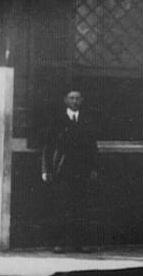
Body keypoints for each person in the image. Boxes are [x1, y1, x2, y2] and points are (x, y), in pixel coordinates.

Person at [41, 90, 99, 253]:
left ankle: (79, 243)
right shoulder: (57, 121)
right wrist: (46, 169)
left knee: (80, 208)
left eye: (77, 98)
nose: (74, 101)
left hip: (82, 170)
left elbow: (92, 147)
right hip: (62, 170)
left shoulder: (87, 120)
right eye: (71, 98)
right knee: (62, 207)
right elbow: (48, 147)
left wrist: (94, 168)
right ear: (65, 100)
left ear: (82, 100)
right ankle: (60, 243)